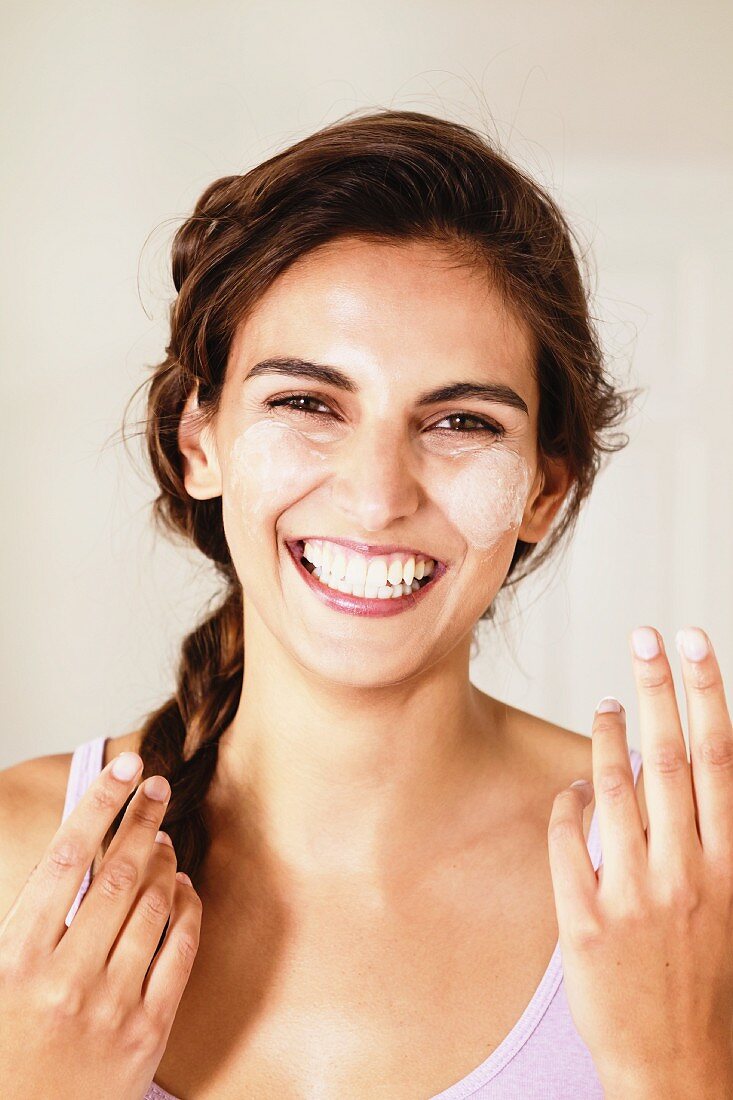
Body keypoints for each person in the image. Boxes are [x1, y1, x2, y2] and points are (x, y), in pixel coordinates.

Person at [2, 109, 731, 1099]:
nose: (378, 494)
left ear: (543, 490)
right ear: (199, 441)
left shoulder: (688, 884)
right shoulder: (16, 863)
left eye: (460, 420)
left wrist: (678, 1069)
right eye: (308, 403)